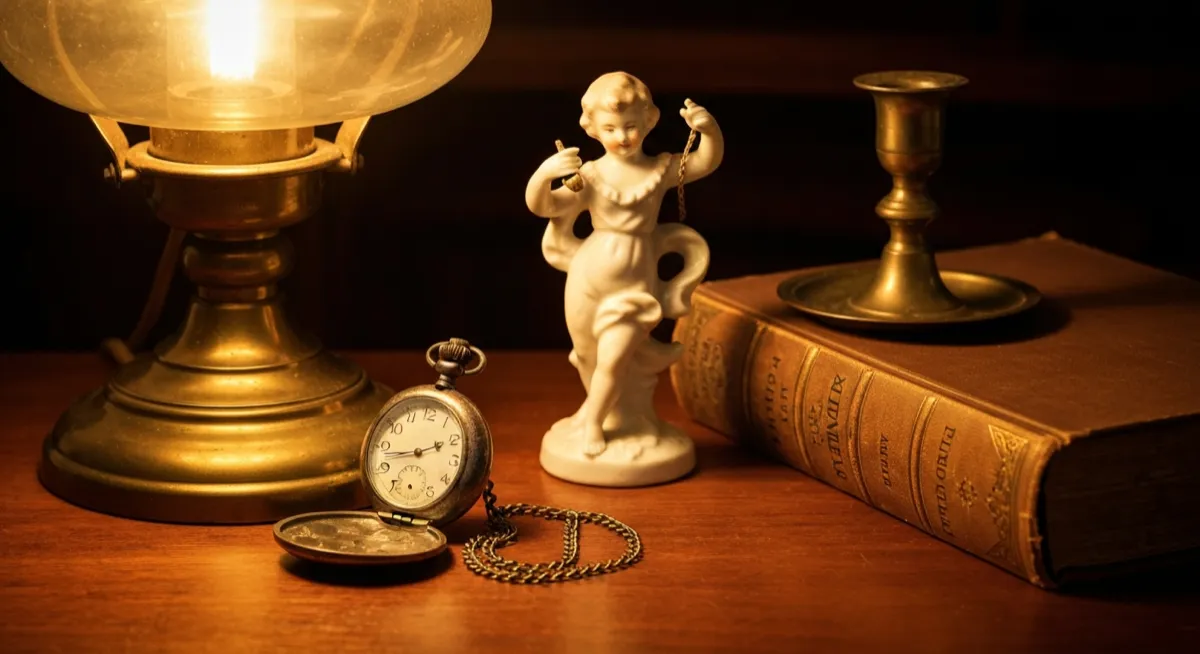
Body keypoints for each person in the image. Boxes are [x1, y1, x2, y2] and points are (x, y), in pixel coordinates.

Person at [525, 71, 724, 457]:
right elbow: (543, 206)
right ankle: (608, 416)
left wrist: (709, 130)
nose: (622, 136)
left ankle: (594, 423)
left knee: (614, 358)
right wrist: (545, 173)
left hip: (634, 285)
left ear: (649, 122)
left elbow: (705, 162)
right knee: (589, 356)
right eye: (611, 128)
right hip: (586, 279)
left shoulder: (660, 170)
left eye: (631, 126)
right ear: (593, 130)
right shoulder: (589, 176)